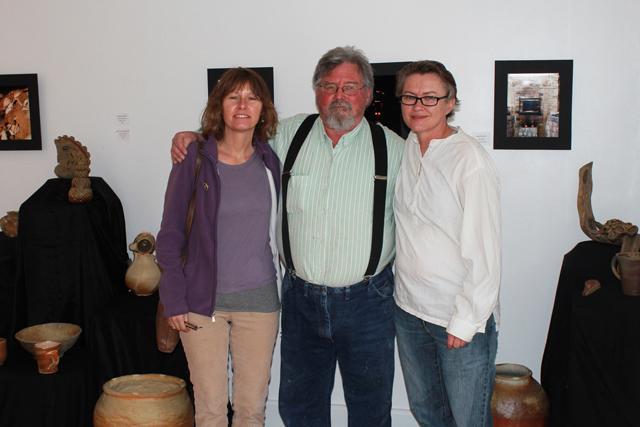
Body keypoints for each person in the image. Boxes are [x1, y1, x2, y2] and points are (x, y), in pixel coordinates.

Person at [172, 46, 404, 427]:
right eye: (329, 86)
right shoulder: (285, 138)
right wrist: (192, 137)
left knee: (370, 408)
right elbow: (235, 136)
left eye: (350, 86)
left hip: (368, 304)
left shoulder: (394, 150)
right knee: (300, 407)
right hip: (302, 300)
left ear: (366, 92)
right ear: (316, 92)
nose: (339, 96)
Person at [156, 67, 281, 427]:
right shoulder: (193, 161)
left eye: (252, 97)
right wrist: (174, 298)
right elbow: (170, 235)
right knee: (209, 410)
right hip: (200, 306)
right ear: (219, 106)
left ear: (263, 108)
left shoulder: (270, 161)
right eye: (233, 97)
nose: (243, 105)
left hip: (259, 304)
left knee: (251, 410)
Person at [392, 60, 501, 427]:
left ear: (450, 102)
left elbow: (485, 250)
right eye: (410, 97)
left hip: (456, 318)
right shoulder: (407, 147)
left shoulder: (469, 159)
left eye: (430, 98)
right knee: (428, 415)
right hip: (409, 312)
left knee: (467, 420)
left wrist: (466, 320)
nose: (418, 106)